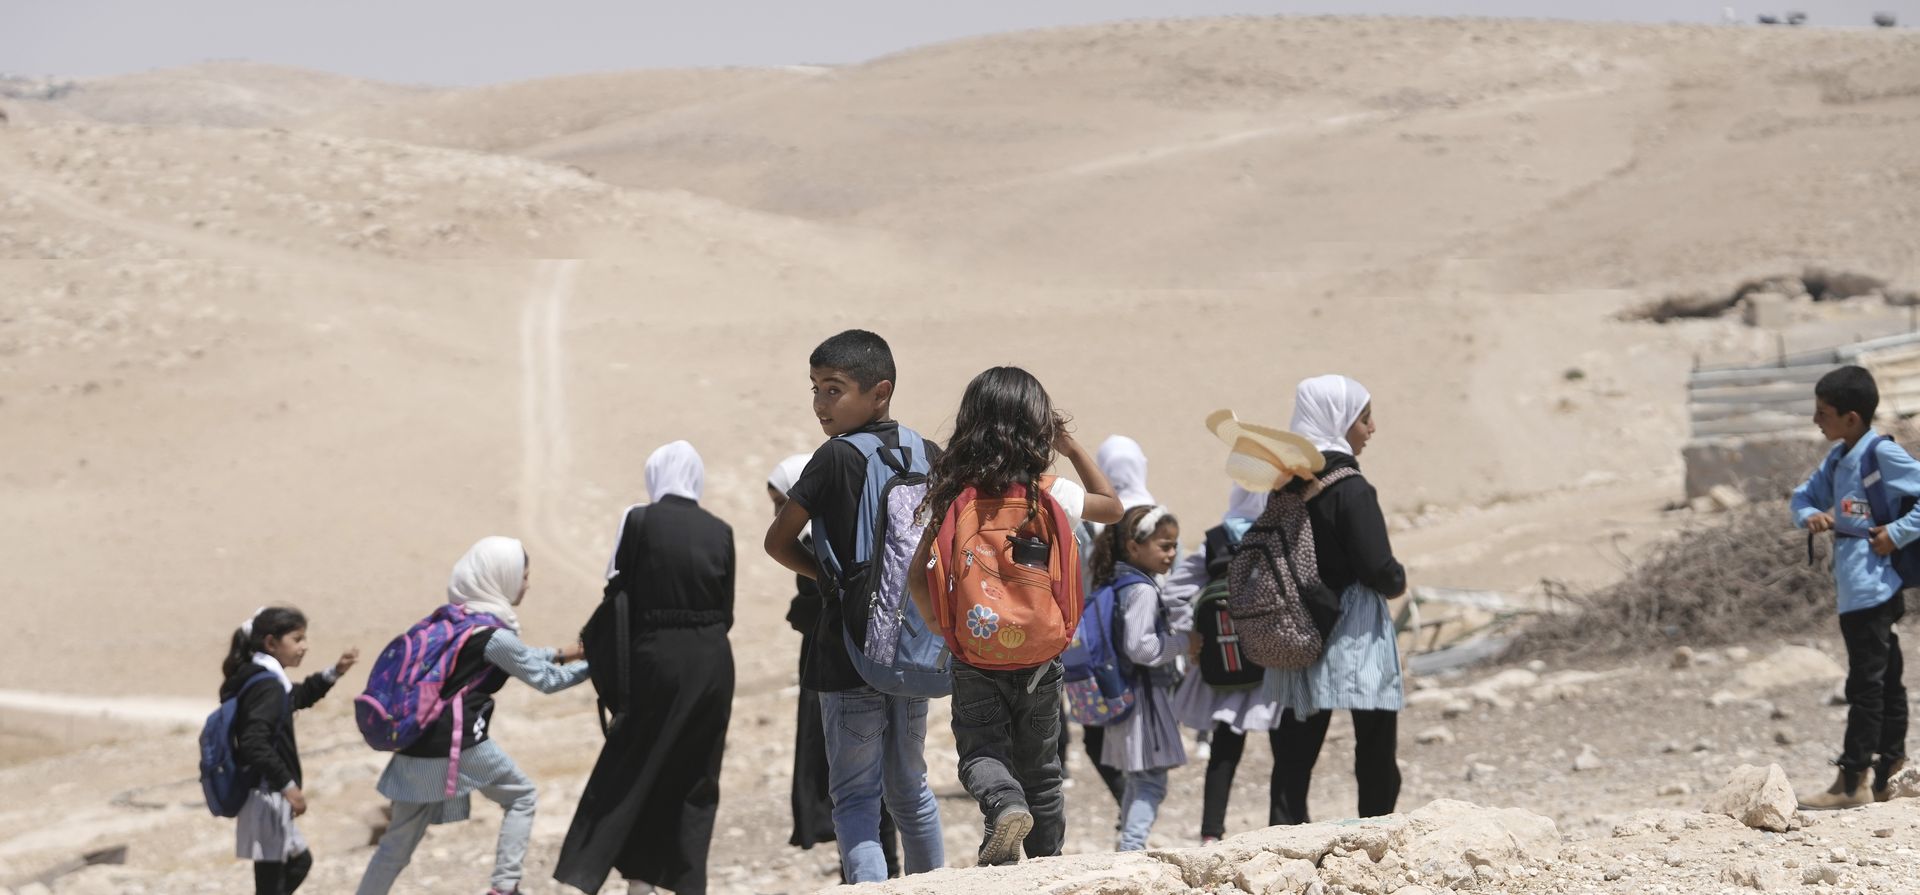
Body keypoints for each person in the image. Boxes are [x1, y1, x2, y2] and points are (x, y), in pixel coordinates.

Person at [905, 366, 1123, 865]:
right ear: (1038, 427)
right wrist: (1069, 447)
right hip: (1041, 653)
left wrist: (943, 628)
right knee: (1042, 769)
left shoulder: (953, 498)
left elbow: (919, 574)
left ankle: (1003, 807)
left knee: (981, 752)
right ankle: (1048, 865)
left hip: (975, 654)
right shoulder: (1051, 496)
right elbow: (1112, 507)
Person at [763, 329, 945, 882]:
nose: (820, 404)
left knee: (855, 798)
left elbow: (778, 542)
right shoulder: (929, 452)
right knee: (911, 789)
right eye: (815, 388)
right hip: (915, 645)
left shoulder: (834, 457)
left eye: (833, 389)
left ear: (879, 391)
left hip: (846, 651)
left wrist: (833, 579)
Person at [356, 537, 590, 895]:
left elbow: (519, 657)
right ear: (500, 577)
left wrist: (562, 653)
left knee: (396, 845)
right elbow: (545, 680)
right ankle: (504, 887)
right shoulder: (493, 635)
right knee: (521, 797)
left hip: (417, 740)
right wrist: (598, 664)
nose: (526, 584)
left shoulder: (453, 621)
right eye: (523, 576)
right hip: (458, 744)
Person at [556, 441, 737, 895]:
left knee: (633, 766)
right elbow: (726, 610)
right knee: (695, 777)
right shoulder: (721, 530)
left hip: (658, 657)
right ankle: (676, 883)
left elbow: (617, 590)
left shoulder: (638, 519)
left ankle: (592, 876)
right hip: (714, 662)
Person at [1264, 375, 1407, 825]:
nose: (1371, 429)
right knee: (1375, 741)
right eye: (1364, 418)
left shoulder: (1285, 486)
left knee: (1295, 751)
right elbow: (1378, 567)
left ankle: (1283, 840)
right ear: (1341, 420)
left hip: (1300, 625)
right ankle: (1376, 832)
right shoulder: (1351, 488)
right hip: (1354, 627)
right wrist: (1397, 579)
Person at [769, 453, 904, 879]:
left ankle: (871, 872)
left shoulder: (819, 544)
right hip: (845, 661)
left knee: (856, 782)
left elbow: (822, 601)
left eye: (782, 502)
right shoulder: (828, 537)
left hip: (839, 667)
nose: (779, 513)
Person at [1792, 365, 1916, 808]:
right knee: (1887, 681)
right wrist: (1810, 515)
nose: (1816, 420)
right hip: (1854, 586)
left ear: (1852, 417)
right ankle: (1889, 775)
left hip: (1875, 587)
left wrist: (1897, 533)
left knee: (1867, 684)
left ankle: (1853, 782)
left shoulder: (1878, 454)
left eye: (1823, 412)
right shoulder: (1839, 457)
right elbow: (1801, 497)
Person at [1168, 485, 1285, 843]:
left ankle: (1211, 833)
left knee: (1225, 747)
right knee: (1287, 747)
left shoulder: (1215, 541)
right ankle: (1287, 825)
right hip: (1273, 662)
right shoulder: (1277, 536)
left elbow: (1173, 592)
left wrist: (1192, 634)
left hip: (1225, 663)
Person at [220, 606, 358, 895]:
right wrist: (288, 785)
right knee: (275, 878)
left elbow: (295, 698)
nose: (304, 646)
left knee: (296, 863)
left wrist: (335, 672)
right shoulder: (266, 685)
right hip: (267, 794)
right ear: (271, 643)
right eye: (297, 639)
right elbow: (254, 742)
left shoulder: (264, 679)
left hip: (268, 792)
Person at [1090, 503, 1188, 850]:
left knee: (1139, 776)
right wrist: (1183, 643)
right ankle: (1132, 846)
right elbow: (1140, 647)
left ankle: (1127, 845)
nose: (1171, 553)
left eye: (1174, 545)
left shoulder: (1118, 582)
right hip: (1143, 698)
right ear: (1134, 546)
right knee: (1151, 780)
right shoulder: (1143, 590)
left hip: (1125, 695)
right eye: (1164, 545)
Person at [1071, 435, 1159, 799]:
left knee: (1096, 731)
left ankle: (1131, 808)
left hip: (1098, 640)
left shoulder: (1092, 518)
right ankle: (1140, 808)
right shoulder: (1158, 518)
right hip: (1148, 637)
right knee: (1143, 728)